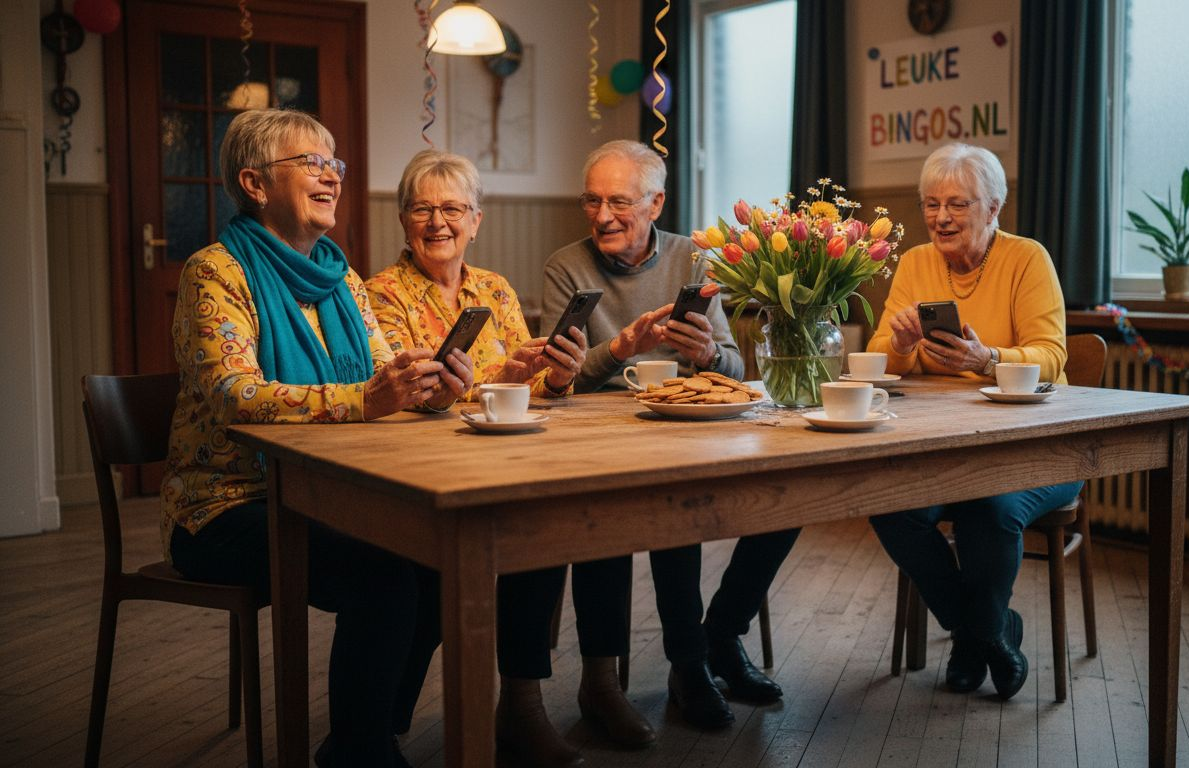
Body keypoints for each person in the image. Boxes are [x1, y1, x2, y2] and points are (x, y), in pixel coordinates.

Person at [161, 109, 473, 768]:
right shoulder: (215, 272)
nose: (331, 176)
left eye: (335, 163)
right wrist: (365, 399)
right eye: (311, 162)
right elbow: (234, 395)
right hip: (226, 506)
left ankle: (367, 737)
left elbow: (384, 380)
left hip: (329, 494)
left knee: (435, 559)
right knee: (383, 572)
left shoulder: (341, 277)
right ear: (255, 183)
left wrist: (434, 387)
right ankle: (362, 751)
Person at [542, 139, 800, 730]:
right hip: (597, 434)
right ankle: (641, 673)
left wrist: (707, 354)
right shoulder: (566, 266)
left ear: (655, 203)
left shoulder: (694, 260)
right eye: (592, 201)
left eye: (619, 202)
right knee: (634, 504)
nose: (603, 216)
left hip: (686, 424)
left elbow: (735, 368)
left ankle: (715, 640)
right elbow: (560, 379)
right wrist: (619, 349)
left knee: (785, 494)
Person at [364, 149, 602, 768]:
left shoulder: (494, 288)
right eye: (423, 209)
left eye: (453, 209)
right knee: (425, 575)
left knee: (539, 526)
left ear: (476, 221)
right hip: (413, 471)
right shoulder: (379, 295)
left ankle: (521, 706)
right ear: (403, 220)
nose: (437, 222)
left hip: (496, 459)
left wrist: (554, 375)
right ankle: (380, 730)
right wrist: (502, 377)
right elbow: (411, 392)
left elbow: (522, 382)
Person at [865, 142, 1081, 700]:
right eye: (931, 204)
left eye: (957, 204)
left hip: (1040, 444)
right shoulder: (916, 262)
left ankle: (970, 642)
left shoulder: (1027, 258)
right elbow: (879, 357)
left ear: (993, 208)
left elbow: (1051, 355)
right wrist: (901, 345)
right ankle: (988, 631)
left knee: (992, 506)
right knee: (888, 503)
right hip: (948, 446)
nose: (941, 217)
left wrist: (988, 360)